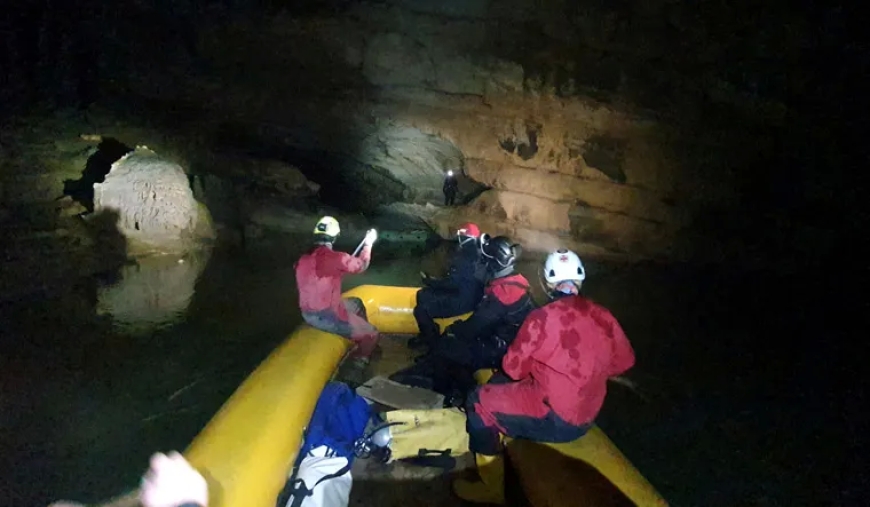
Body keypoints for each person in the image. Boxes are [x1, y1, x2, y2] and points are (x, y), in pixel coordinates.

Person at [453, 248, 636, 504]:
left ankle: (490, 487)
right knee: (504, 386)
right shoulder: (604, 315)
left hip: (557, 419)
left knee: (478, 401)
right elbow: (622, 363)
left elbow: (514, 367)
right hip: (588, 415)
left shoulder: (542, 317)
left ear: (548, 283)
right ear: (580, 280)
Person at [392, 236, 534, 403]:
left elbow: (473, 327)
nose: (479, 263)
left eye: (483, 260)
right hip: (510, 342)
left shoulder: (501, 295)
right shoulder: (516, 283)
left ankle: (450, 394)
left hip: (504, 350)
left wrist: (454, 329)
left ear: (492, 265)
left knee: (448, 346)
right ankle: (451, 382)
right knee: (456, 343)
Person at [295, 216, 379, 384]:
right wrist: (369, 243)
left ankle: (355, 337)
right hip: (327, 315)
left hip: (309, 312)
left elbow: (318, 277)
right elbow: (361, 265)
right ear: (334, 237)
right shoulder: (335, 258)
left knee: (356, 303)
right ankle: (358, 362)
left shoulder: (303, 259)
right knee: (372, 333)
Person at [411, 222, 487, 347]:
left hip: (463, 300)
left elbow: (452, 284)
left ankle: (431, 341)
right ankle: (430, 330)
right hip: (471, 295)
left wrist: (429, 281)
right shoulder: (479, 253)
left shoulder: (464, 257)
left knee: (420, 310)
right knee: (422, 294)